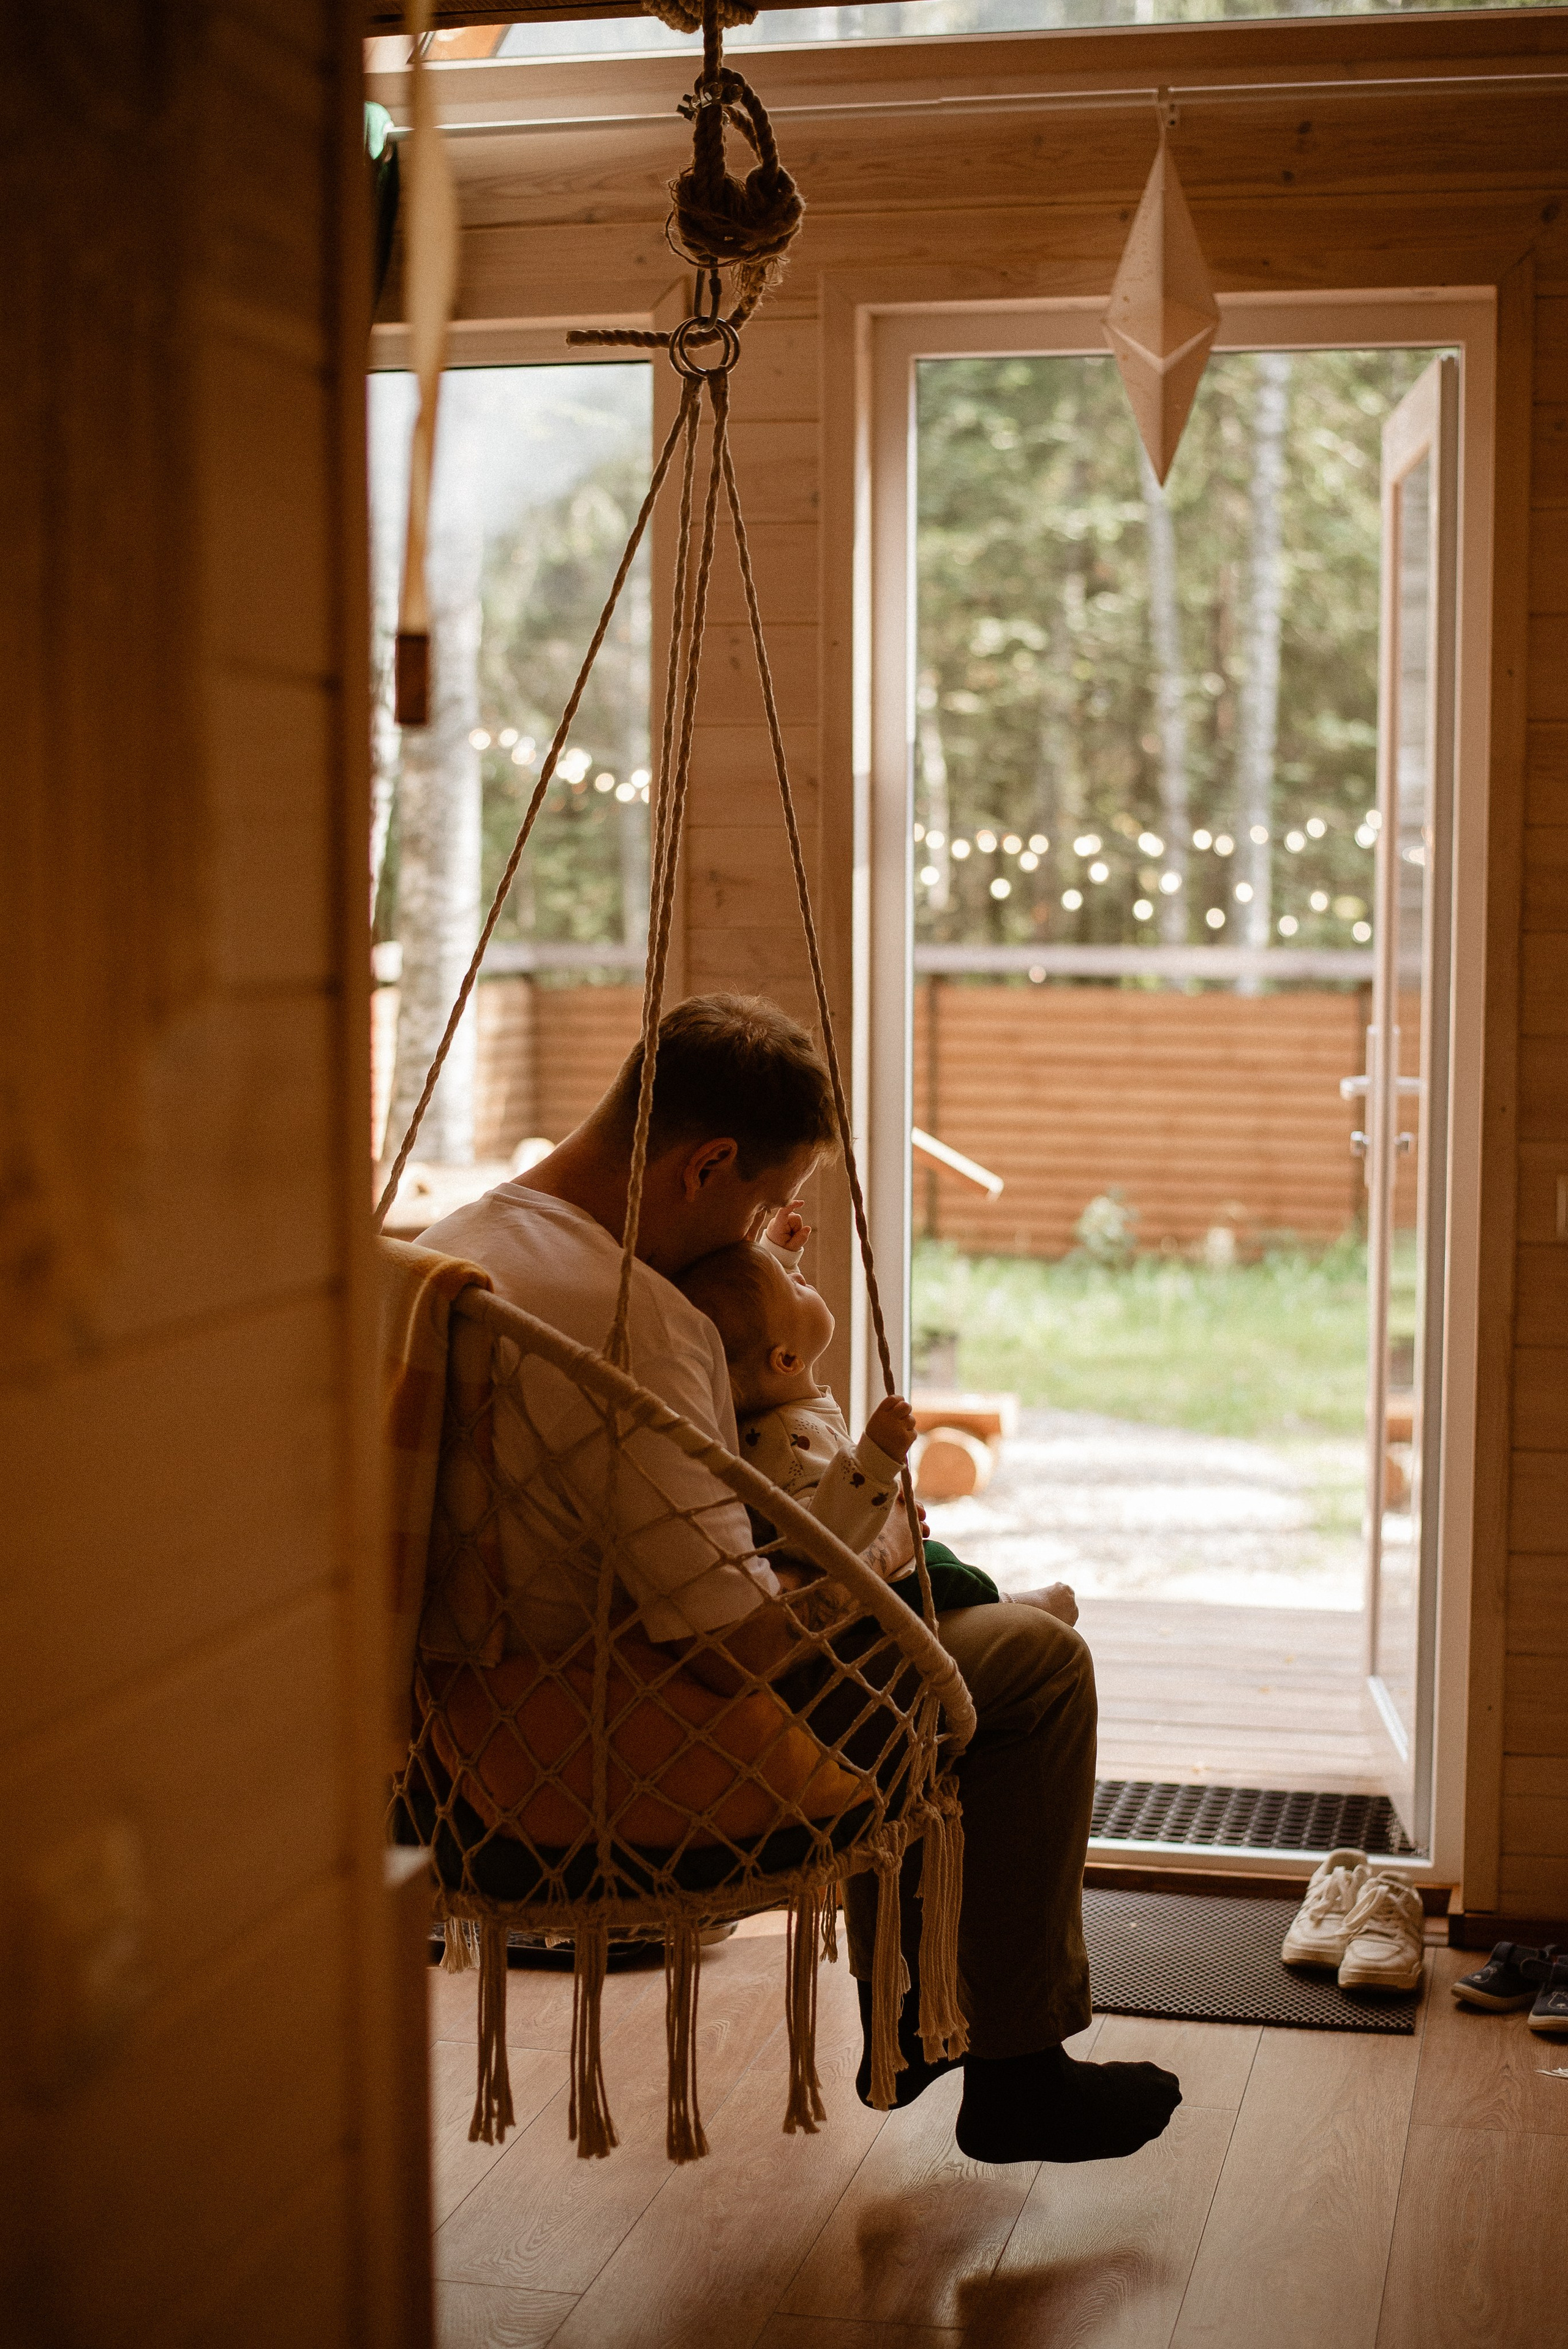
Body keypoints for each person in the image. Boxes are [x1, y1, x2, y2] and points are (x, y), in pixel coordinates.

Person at [419, 992, 1180, 2165]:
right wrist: (863, 1557)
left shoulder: (450, 1249)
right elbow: (734, 1646)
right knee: (1029, 1664)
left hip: (441, 1746)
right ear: (706, 1161)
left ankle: (924, 2026)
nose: (764, 1229)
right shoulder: (641, 1319)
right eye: (764, 1200)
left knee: (941, 1637)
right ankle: (1012, 2069)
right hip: (628, 1748)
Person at [674, 1201, 1080, 1628]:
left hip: (872, 1557)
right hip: (863, 1609)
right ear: (788, 1360)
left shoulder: (781, 1401)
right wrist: (876, 1456)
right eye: (794, 1287)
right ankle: (1010, 1606)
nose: (800, 1277)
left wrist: (777, 1253)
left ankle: (994, 1602)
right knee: (937, 1572)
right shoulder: (785, 1441)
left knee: (934, 1556)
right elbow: (817, 1537)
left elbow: (752, 1315)